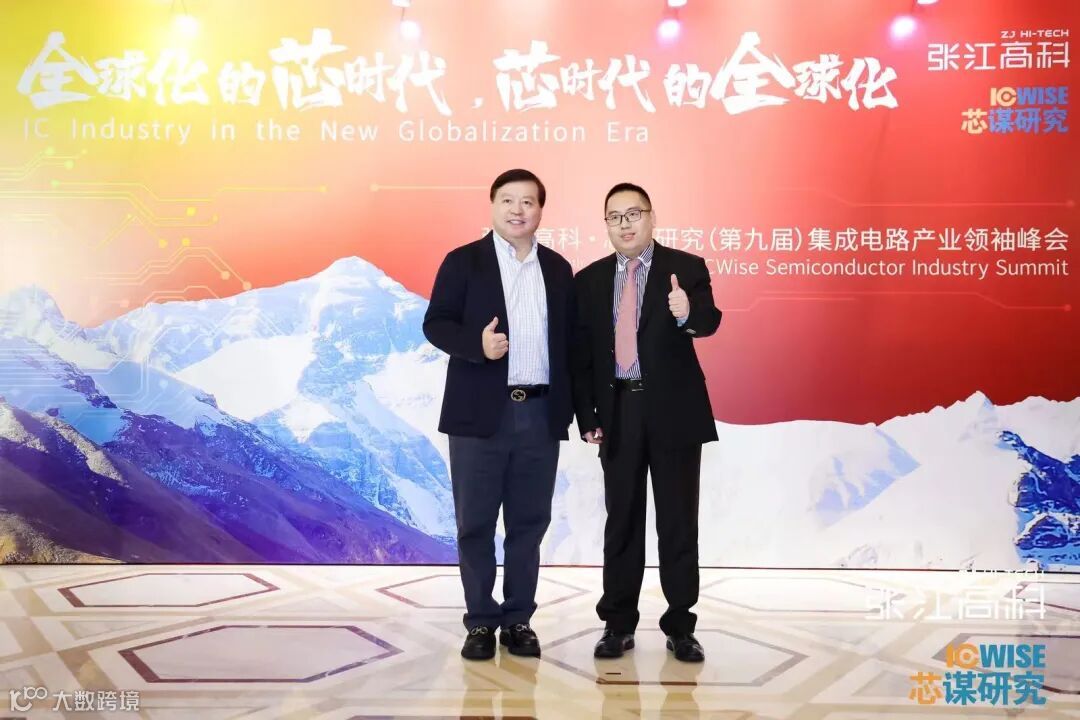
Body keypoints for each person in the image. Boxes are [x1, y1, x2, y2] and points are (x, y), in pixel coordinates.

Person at [422, 168, 575, 660]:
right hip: (478, 416)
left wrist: (577, 411)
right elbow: (436, 323)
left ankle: (518, 619)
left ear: (540, 211)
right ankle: (481, 622)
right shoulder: (464, 262)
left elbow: (571, 345)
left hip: (540, 413)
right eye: (508, 200)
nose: (517, 210)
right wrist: (477, 345)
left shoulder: (558, 268)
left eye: (527, 201)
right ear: (492, 206)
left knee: (529, 524)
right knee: (475, 524)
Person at [572, 182, 721, 663]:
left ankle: (681, 626)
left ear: (652, 217)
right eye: (614, 216)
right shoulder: (589, 280)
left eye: (633, 214)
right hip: (618, 411)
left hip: (674, 411)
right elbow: (582, 356)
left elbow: (709, 320)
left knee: (678, 521)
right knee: (622, 521)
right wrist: (587, 415)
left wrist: (687, 313)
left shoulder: (686, 268)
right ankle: (617, 624)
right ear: (606, 224)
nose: (625, 224)